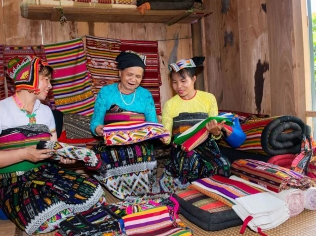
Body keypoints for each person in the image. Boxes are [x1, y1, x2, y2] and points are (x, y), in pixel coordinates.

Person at [0, 56, 105, 235]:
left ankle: (26, 205)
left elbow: (54, 147)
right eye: (46, 79)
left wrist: (64, 156)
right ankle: (6, 202)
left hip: (45, 173)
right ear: (29, 79)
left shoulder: (46, 112)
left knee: (94, 194)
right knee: (50, 217)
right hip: (12, 179)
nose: (50, 85)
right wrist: (23, 154)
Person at [89, 50, 160, 199]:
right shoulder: (106, 92)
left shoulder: (145, 95)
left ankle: (140, 189)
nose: (133, 79)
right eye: (129, 74)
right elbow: (95, 122)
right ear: (120, 72)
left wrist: (156, 132)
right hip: (112, 142)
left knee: (142, 151)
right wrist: (97, 128)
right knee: (110, 154)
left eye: (138, 76)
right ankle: (120, 191)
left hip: (139, 141)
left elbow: (153, 124)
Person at [160, 57, 231, 192]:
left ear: (193, 79)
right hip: (183, 148)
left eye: (183, 81)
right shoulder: (170, 105)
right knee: (192, 160)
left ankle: (211, 192)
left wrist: (216, 131)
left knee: (224, 164)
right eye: (174, 82)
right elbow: (167, 136)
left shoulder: (208, 98)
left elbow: (216, 133)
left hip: (206, 146)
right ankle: (192, 195)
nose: (178, 86)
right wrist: (164, 137)